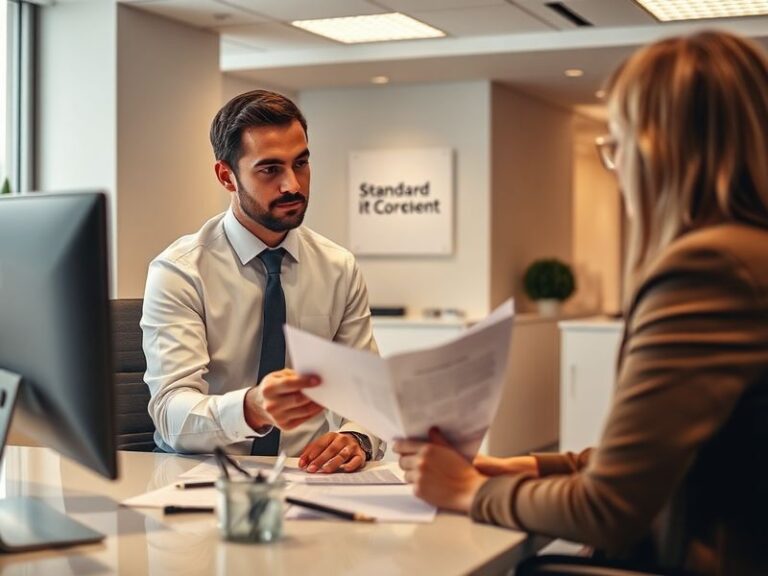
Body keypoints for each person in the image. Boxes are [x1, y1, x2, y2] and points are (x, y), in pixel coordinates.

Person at [395, 30, 768, 575]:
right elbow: (658, 455)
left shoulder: (709, 270)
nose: (616, 168)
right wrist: (523, 467)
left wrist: (468, 491)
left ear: (657, 148)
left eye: (615, 144)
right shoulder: (749, 253)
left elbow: (609, 508)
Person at [142, 90, 382, 473]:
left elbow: (367, 394)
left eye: (301, 163)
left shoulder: (338, 267)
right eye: (270, 169)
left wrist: (356, 438)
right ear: (227, 177)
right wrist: (251, 409)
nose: (293, 185)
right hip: (203, 477)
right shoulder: (180, 272)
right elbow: (171, 416)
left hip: (308, 475)